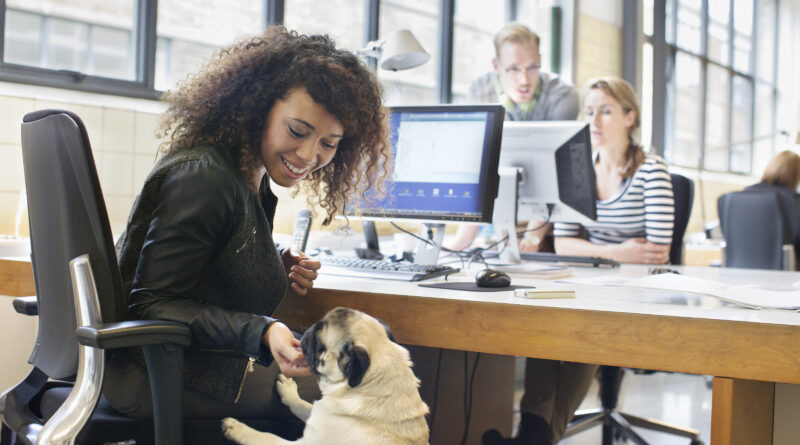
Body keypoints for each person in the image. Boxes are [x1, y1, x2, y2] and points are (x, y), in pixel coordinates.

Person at [105, 27, 389, 434]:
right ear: (257, 107)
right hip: (152, 377)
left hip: (184, 367)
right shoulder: (204, 177)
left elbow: (206, 261)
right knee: (371, 389)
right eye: (297, 131)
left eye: (329, 143)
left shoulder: (244, 175)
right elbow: (153, 304)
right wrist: (263, 330)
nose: (309, 155)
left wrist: (268, 262)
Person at [484, 77, 674, 445]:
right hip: (593, 276)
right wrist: (618, 252)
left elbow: (658, 250)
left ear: (630, 117)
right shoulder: (578, 168)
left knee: (587, 324)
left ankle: (534, 434)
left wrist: (598, 253)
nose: (595, 121)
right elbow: (566, 241)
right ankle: (535, 434)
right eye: (589, 112)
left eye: (606, 111)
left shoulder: (652, 170)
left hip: (637, 287)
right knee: (546, 316)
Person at [449, 22, 579, 253]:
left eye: (532, 67)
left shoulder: (562, 95)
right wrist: (461, 239)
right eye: (514, 69)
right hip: (493, 209)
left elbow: (555, 172)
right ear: (497, 66)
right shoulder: (480, 91)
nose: (524, 80)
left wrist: (534, 238)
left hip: (543, 217)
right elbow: (476, 164)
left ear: (540, 60)